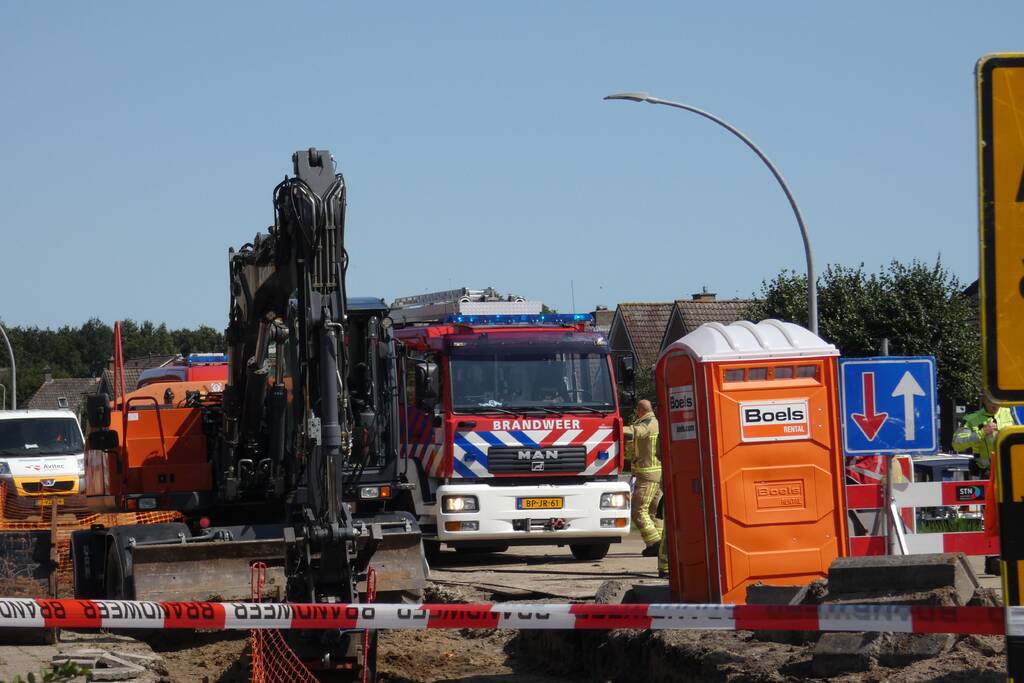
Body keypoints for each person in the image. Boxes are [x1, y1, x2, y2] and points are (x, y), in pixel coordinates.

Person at [953, 395, 1012, 574]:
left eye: (998, 401)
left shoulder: (1011, 412)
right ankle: (993, 560)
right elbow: (957, 444)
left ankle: (1011, 556)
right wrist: (981, 432)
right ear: (984, 401)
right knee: (991, 518)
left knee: (1012, 515)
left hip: (1011, 473)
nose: (995, 405)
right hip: (988, 475)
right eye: (991, 401)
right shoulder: (972, 419)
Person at [623, 399, 661, 558]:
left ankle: (655, 544)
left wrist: (613, 427)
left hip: (647, 476)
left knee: (638, 511)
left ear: (640, 410)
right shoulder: (654, 422)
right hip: (656, 475)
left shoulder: (649, 423)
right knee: (654, 513)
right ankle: (661, 545)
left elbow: (635, 432)